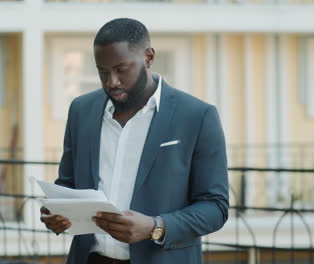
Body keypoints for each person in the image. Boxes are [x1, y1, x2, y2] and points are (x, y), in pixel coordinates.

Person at [40, 18, 229, 264]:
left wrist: (156, 227)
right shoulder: (81, 110)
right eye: (103, 72)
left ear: (148, 57)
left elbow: (215, 207)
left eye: (121, 69)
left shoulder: (197, 116)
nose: (112, 82)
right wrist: (56, 215)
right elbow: (67, 185)